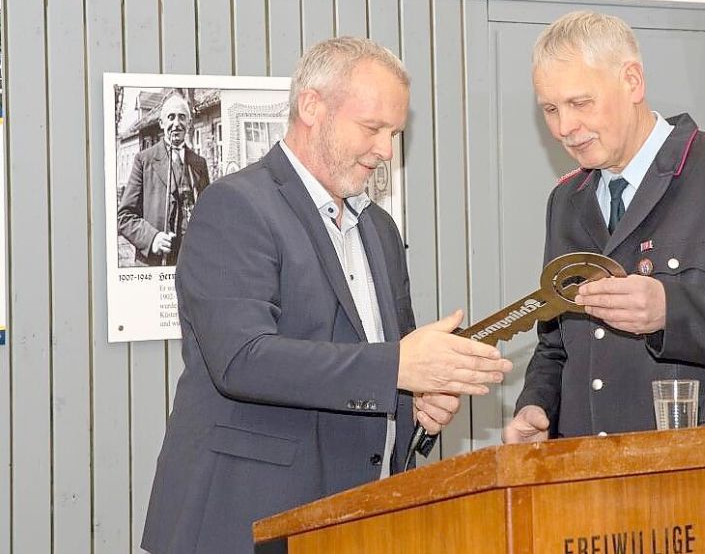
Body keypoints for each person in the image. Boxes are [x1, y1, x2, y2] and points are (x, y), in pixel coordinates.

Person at [141, 37, 512, 554]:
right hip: (242, 523)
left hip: (353, 520)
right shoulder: (235, 205)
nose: (386, 150)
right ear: (312, 106)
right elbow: (242, 359)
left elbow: (378, 362)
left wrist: (418, 396)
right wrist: (398, 369)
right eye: (373, 128)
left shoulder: (379, 228)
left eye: (395, 133)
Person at [504, 11, 705, 444]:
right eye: (551, 109)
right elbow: (559, 341)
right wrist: (538, 405)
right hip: (587, 484)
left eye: (580, 103)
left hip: (703, 480)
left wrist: (671, 311)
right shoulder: (566, 201)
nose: (564, 128)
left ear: (632, 81)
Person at [118, 93, 210, 266]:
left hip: (191, 264)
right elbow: (124, 216)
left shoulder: (199, 164)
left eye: (182, 117)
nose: (176, 123)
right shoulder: (144, 160)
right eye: (171, 117)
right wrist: (152, 238)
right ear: (162, 123)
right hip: (155, 264)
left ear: (189, 124)